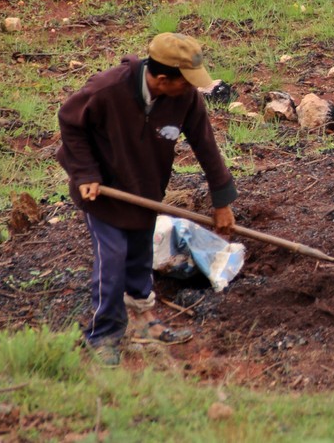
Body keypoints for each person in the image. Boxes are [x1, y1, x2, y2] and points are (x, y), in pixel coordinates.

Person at [57, 32, 238, 366]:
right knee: (112, 260)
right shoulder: (107, 89)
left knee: (139, 257)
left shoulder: (185, 99)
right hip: (103, 195)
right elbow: (70, 123)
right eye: (186, 82)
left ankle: (143, 322)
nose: (191, 89)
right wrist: (84, 173)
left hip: (146, 192)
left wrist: (222, 200)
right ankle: (104, 333)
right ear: (162, 78)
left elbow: (206, 146)